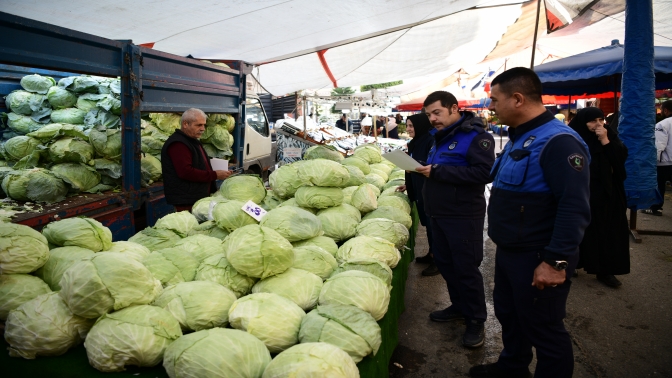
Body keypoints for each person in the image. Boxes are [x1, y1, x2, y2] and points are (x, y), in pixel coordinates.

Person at [470, 68, 591, 378]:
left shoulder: (559, 142)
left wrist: (555, 261)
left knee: (544, 329)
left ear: (518, 99)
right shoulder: (519, 138)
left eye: (494, 100)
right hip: (512, 250)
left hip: (539, 254)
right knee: (511, 317)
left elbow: (574, 206)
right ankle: (512, 368)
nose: (491, 107)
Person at [416, 91, 495, 348]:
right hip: (438, 213)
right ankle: (459, 307)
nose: (432, 119)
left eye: (436, 113)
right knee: (447, 265)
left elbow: (484, 173)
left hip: (463, 216)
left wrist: (438, 171)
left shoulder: (476, 137)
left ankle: (476, 320)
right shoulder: (438, 137)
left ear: (454, 108)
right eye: (428, 115)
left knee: (465, 269)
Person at [569, 107, 630, 288]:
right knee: (577, 230)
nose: (598, 124)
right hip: (580, 192)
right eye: (592, 121)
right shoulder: (573, 137)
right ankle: (573, 264)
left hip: (607, 193)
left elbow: (620, 162)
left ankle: (605, 270)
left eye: (600, 120)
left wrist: (605, 141)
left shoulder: (610, 136)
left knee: (607, 231)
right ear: (583, 122)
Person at [161, 108, 233, 212]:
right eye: (199, 125)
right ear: (185, 124)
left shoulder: (191, 140)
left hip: (195, 198)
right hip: (186, 200)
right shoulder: (178, 144)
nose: (203, 128)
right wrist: (215, 175)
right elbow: (185, 172)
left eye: (204, 125)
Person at [395, 113, 438, 276]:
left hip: (427, 189)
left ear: (420, 126)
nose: (408, 129)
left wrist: (413, 166)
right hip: (418, 187)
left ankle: (438, 260)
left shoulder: (429, 141)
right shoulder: (415, 142)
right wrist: (408, 184)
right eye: (407, 126)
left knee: (433, 226)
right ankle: (432, 253)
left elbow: (428, 166)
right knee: (427, 225)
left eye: (411, 126)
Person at [643, 100, 672, 216]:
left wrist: (653, 162)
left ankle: (656, 207)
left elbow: (659, 145)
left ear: (665, 110)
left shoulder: (663, 124)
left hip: (665, 162)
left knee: (659, 185)